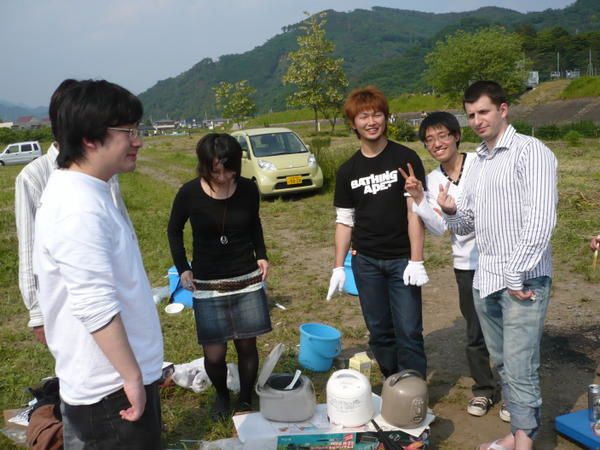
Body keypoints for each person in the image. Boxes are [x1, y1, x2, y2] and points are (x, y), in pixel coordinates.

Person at [32, 79, 163, 450]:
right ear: (90, 139)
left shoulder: (92, 189)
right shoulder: (77, 208)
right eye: (129, 132)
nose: (138, 141)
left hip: (114, 381)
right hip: (110, 392)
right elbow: (94, 305)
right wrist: (132, 378)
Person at [437, 81, 557, 450]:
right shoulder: (479, 162)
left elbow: (541, 220)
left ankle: (523, 440)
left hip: (524, 278)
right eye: (471, 114)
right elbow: (468, 223)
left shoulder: (531, 152)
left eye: (483, 112)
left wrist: (515, 272)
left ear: (504, 110)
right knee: (504, 363)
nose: (476, 121)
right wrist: (452, 211)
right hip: (485, 277)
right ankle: (519, 431)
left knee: (520, 365)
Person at [400, 111, 503, 419]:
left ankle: (514, 393)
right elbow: (438, 227)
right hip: (466, 264)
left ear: (457, 136)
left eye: (443, 135)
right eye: (429, 139)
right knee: (475, 332)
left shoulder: (481, 164)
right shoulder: (431, 180)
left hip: (499, 258)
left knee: (507, 329)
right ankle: (484, 390)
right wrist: (419, 199)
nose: (437, 143)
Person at [15, 79, 131, 346]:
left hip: (114, 292)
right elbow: (29, 250)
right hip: (71, 300)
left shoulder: (104, 168)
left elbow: (123, 225)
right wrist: (37, 313)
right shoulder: (33, 177)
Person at [327, 86, 429, 379]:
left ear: (386, 118)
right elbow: (345, 221)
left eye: (377, 114)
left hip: (401, 261)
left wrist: (416, 259)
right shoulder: (348, 170)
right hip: (366, 262)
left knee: (409, 329)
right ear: (353, 123)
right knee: (379, 330)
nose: (371, 121)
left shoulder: (405, 158)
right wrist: (338, 266)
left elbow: (414, 212)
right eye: (363, 116)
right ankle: (392, 380)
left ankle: (413, 390)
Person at [167, 133, 271, 419]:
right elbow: (174, 230)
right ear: (205, 166)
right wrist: (182, 267)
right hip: (208, 281)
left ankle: (246, 398)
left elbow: (255, 224)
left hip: (245, 276)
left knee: (247, 344)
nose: (224, 176)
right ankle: (222, 396)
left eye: (229, 169)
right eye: (216, 170)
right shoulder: (189, 193)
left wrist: (261, 254)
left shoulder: (248, 190)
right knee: (214, 353)